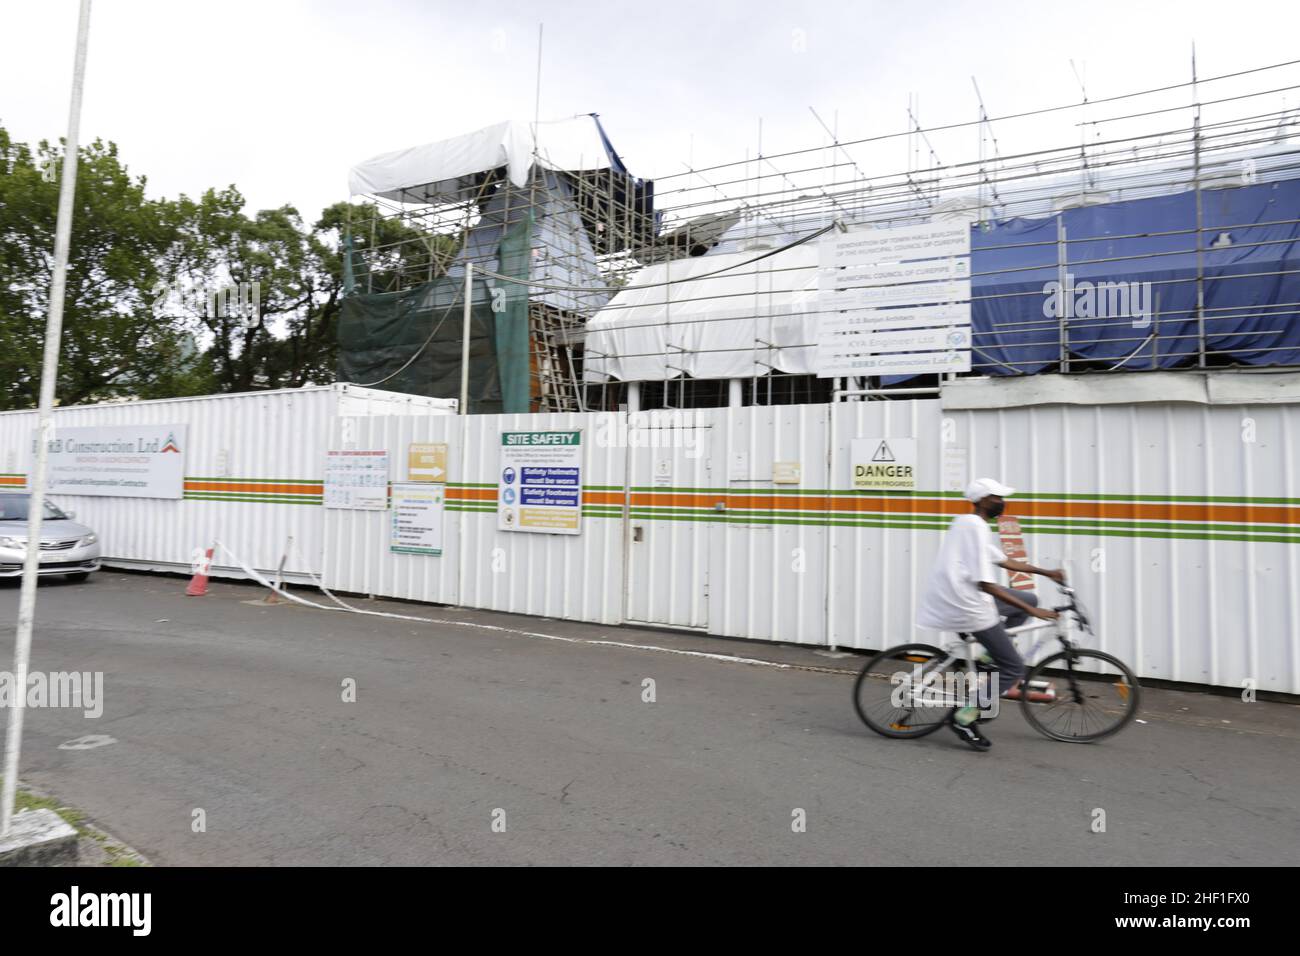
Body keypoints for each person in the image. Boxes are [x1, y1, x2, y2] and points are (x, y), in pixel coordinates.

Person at [916, 478, 1065, 750]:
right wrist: (1033, 612)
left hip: (964, 597)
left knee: (1029, 596)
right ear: (983, 500)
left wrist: (1048, 573)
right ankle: (963, 718)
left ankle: (987, 658)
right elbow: (986, 584)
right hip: (967, 605)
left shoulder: (968, 523)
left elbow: (1005, 561)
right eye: (997, 498)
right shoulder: (975, 528)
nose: (1002, 503)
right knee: (1014, 668)